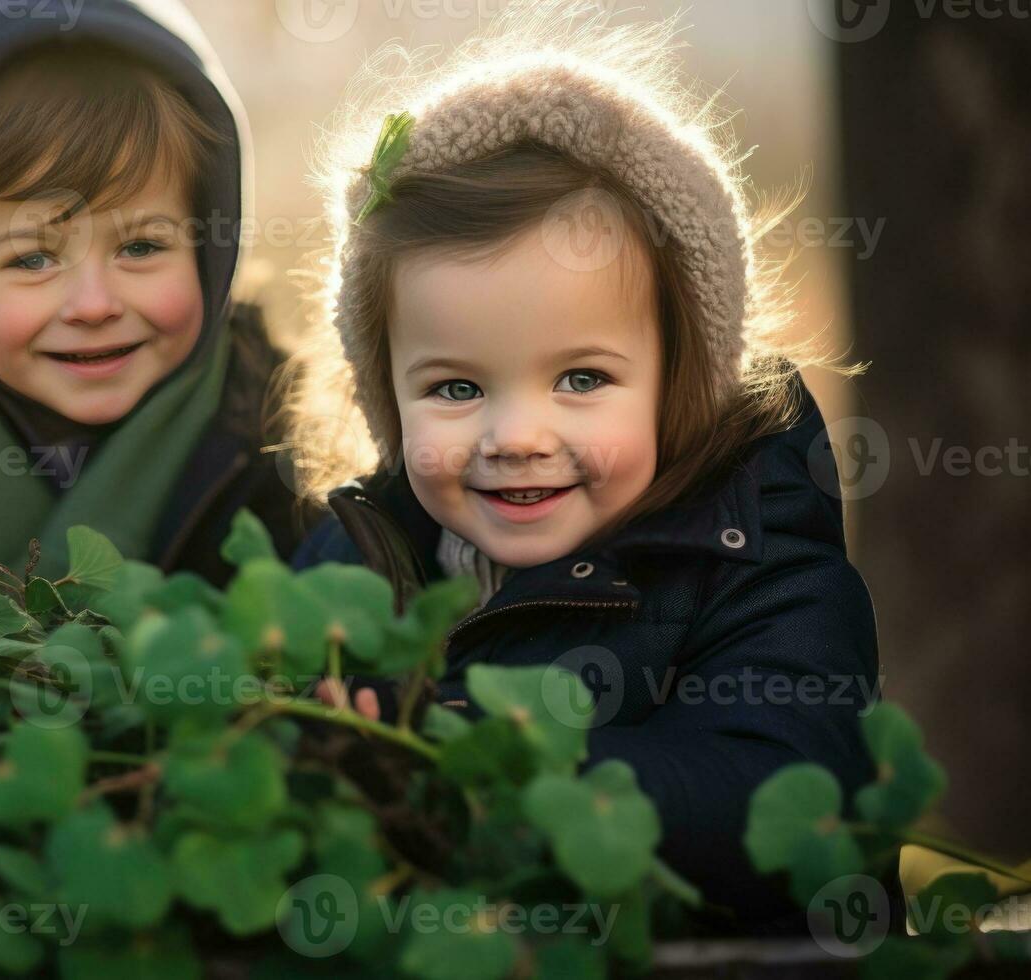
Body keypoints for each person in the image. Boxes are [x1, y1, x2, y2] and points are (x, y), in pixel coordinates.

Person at [287, 8, 884, 925]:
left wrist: (488, 750)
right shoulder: (351, 568)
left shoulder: (756, 562)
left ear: (675, 376)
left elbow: (782, 802)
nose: (516, 436)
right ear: (386, 398)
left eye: (579, 378)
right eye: (454, 389)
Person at [0, 0, 313, 586]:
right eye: (33, 258)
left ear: (210, 252)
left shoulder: (301, 465)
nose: (94, 305)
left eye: (142, 247)